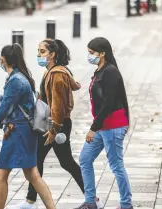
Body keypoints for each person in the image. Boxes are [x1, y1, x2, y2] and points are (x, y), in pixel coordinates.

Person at [12, 39, 103, 209]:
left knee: (47, 160)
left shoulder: (56, 74)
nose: (38, 55)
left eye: (42, 52)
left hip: (55, 124)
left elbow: (58, 107)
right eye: (38, 51)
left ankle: (32, 201)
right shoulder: (51, 71)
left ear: (52, 54)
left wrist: (54, 129)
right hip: (54, 123)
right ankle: (92, 198)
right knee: (57, 161)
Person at [0, 43, 55, 209]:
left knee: (0, 174)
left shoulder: (16, 81)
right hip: (23, 130)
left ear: (3, 59)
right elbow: (12, 106)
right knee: (32, 174)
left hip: (18, 132)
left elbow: (3, 110)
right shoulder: (19, 77)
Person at [74, 37, 132, 209]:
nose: (89, 56)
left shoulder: (110, 71)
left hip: (112, 125)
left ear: (103, 53)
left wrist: (93, 128)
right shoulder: (100, 70)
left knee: (116, 165)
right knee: (85, 159)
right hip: (103, 126)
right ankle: (90, 201)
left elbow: (108, 103)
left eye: (92, 53)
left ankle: (126, 204)